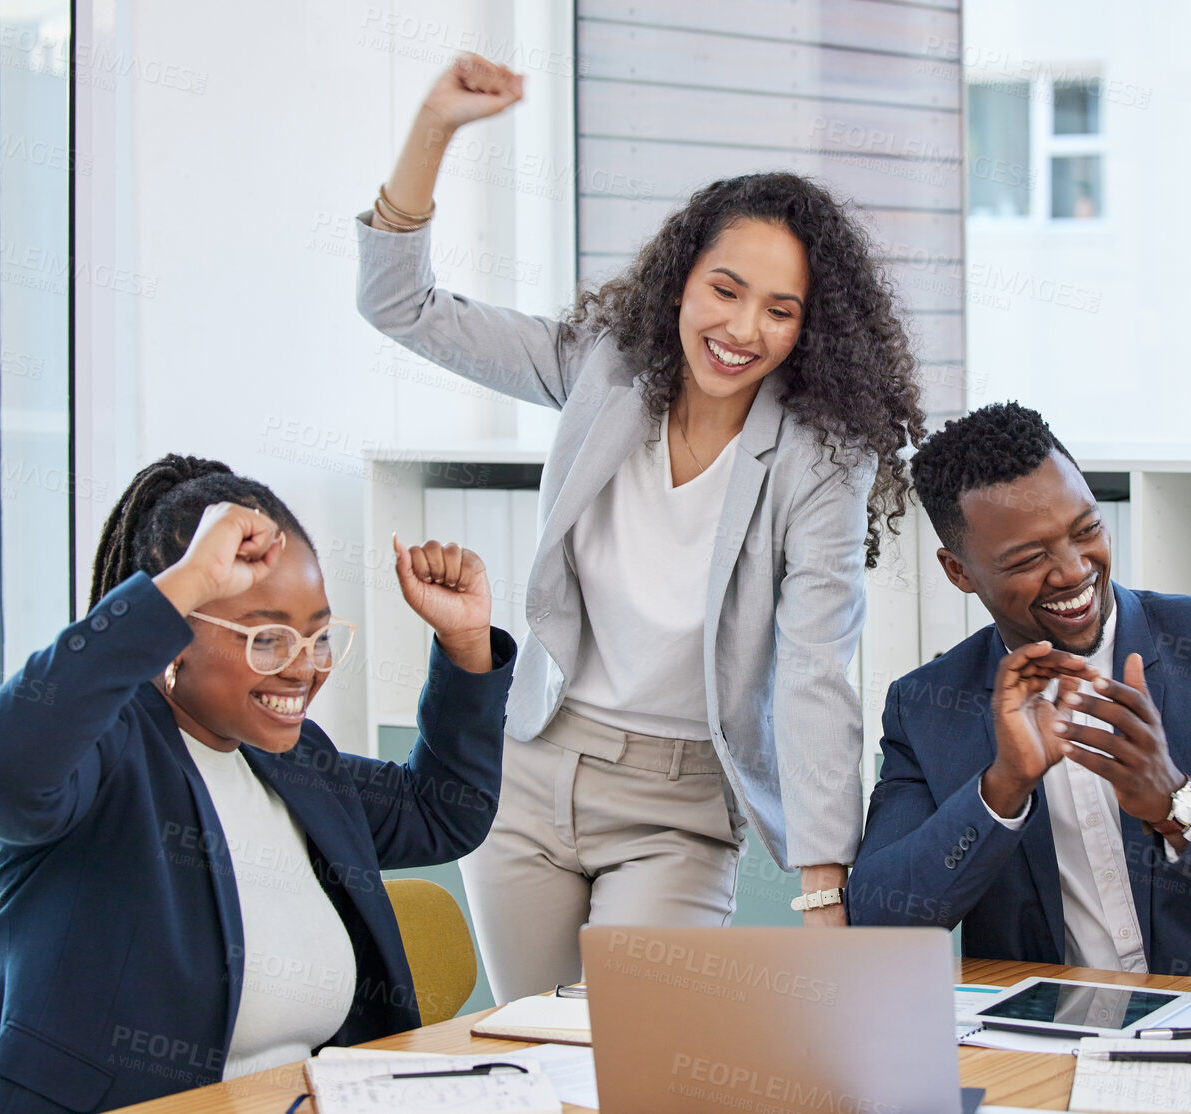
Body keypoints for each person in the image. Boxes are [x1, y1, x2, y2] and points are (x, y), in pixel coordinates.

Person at [355, 53, 925, 995]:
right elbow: (400, 306)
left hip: (678, 807)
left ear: (809, 329)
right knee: (535, 1061)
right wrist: (434, 129)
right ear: (681, 280)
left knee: (642, 1068)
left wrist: (826, 893)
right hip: (529, 772)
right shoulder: (604, 369)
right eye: (726, 289)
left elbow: (817, 667)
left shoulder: (823, 459)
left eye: (781, 311)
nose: (744, 328)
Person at [0, 456, 514, 1112]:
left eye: (317, 636)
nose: (303, 670)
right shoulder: (104, 750)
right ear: (173, 636)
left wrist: (466, 643)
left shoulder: (291, 759)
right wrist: (181, 584)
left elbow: (442, 810)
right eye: (268, 639)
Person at [848, 403, 1191, 982]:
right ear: (960, 572)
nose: (1074, 571)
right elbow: (877, 925)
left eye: (1087, 530)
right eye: (1028, 558)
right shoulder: (926, 706)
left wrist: (1179, 804)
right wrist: (1002, 790)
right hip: (1049, 1047)